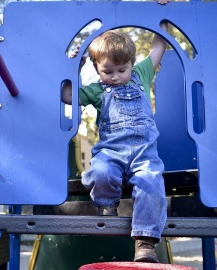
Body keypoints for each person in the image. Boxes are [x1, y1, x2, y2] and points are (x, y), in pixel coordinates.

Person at [61, 2, 169, 263]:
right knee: (100, 172)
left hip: (144, 153)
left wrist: (162, 15)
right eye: (107, 72)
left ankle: (145, 242)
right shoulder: (97, 90)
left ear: (132, 64)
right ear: (97, 68)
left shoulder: (142, 72)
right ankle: (107, 207)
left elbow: (159, 46)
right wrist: (73, 66)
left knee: (151, 183)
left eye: (122, 70)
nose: (116, 77)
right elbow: (67, 96)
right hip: (110, 152)